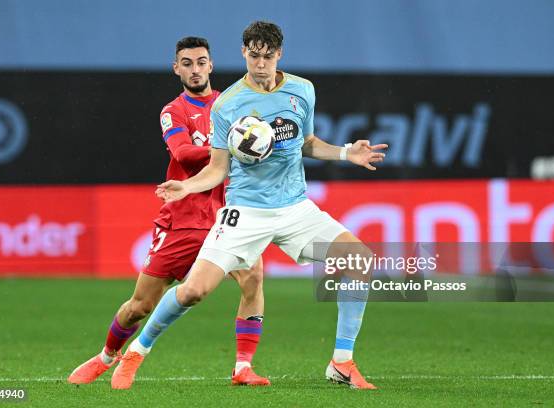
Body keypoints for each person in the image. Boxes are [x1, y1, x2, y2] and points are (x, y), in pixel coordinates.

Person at [141, 21, 388, 390]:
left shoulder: (303, 90)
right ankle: (137, 351)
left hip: (295, 207)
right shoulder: (227, 105)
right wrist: (186, 187)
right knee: (193, 291)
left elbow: (306, 143)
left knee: (359, 260)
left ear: (279, 55)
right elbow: (218, 168)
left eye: (268, 57)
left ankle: (341, 361)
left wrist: (344, 153)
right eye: (254, 56)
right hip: (247, 212)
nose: (260, 64)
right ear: (244, 53)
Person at [68, 37, 269, 389]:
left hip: (227, 215)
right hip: (183, 218)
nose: (195, 69)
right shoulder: (173, 110)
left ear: (211, 65)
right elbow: (183, 153)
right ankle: (106, 356)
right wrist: (227, 148)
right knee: (140, 305)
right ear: (176, 68)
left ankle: (242, 367)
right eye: (187, 63)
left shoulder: (232, 104)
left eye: (201, 62)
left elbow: (257, 143)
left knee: (252, 277)